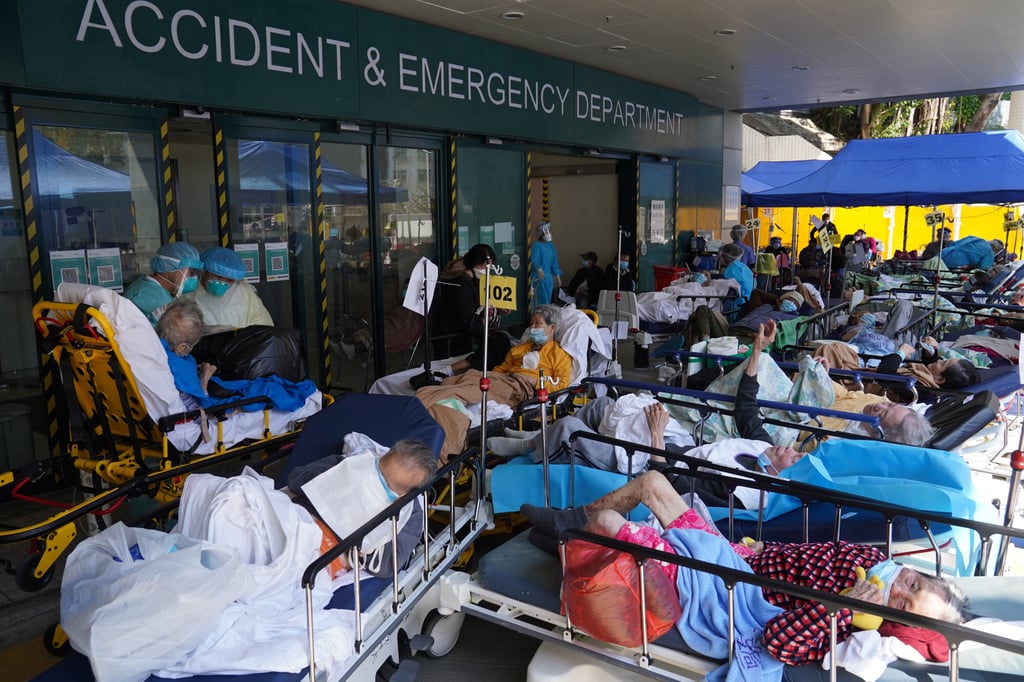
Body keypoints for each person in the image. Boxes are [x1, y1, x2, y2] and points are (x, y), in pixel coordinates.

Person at [519, 471, 968, 665]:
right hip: (734, 557)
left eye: (902, 603)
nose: (895, 590)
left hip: (722, 590)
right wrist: (751, 548)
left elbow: (776, 642)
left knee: (608, 524)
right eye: (910, 582)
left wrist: (837, 609)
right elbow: (800, 555)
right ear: (917, 569)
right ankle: (563, 524)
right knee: (653, 484)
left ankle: (566, 533)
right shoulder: (872, 559)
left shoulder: (854, 625)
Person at [487, 321, 805, 511]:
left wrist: (655, 436)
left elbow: (675, 487)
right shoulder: (761, 445)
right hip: (674, 440)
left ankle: (520, 457)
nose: (788, 447)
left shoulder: (741, 492)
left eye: (794, 456)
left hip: (652, 461)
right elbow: (746, 404)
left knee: (571, 429)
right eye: (794, 447)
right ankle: (532, 439)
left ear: (784, 478)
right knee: (601, 406)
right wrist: (759, 349)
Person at [286, 438, 438, 578]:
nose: (376, 483)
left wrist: (360, 534)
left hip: (329, 549)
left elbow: (388, 564)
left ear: (407, 493)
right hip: (296, 516)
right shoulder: (352, 464)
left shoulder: (410, 515)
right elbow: (295, 480)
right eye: (378, 472)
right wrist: (335, 482)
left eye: (388, 485)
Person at [156, 299, 316, 412]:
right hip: (204, 416)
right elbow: (200, 411)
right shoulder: (179, 366)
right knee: (267, 388)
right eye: (193, 345)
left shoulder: (156, 354)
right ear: (182, 347)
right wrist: (204, 380)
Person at [430, 243, 500, 359]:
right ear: (473, 263)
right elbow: (467, 318)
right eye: (483, 266)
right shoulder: (461, 283)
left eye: (489, 267)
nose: (486, 270)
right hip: (451, 338)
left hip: (460, 335)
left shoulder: (473, 280)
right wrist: (487, 335)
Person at [189, 247, 274, 329]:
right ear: (205, 271)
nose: (223, 283)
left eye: (229, 280)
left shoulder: (244, 292)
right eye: (218, 277)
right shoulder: (189, 292)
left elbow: (264, 327)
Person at [123, 241, 202, 325]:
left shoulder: (162, 291)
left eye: (195, 273)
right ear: (168, 266)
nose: (194, 278)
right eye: (190, 272)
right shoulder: (145, 295)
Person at [529, 222, 561, 309]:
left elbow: (554, 261)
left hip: (548, 278)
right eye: (546, 232)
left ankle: (545, 317)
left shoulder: (550, 246)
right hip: (538, 276)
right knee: (540, 299)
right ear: (540, 234)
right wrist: (538, 268)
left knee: (548, 300)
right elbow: (533, 260)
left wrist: (557, 275)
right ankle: (539, 317)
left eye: (549, 231)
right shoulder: (536, 246)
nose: (548, 234)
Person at [717, 242, 753, 306]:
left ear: (726, 256)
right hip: (747, 302)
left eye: (722, 255)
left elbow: (722, 288)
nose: (720, 258)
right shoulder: (743, 267)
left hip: (735, 304)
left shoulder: (730, 271)